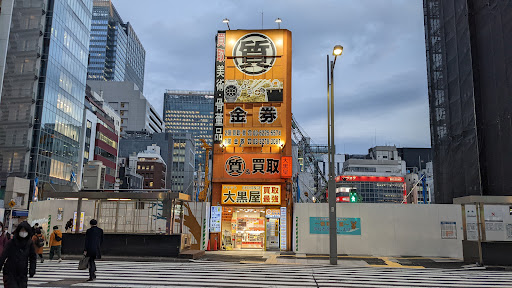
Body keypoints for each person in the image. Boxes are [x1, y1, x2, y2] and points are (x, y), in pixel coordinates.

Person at [0, 221, 36, 288]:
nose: (23, 232)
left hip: (22, 273)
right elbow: (4, 255)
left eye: (25, 231)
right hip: (10, 272)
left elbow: (33, 257)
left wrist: (32, 269)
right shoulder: (12, 242)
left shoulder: (29, 243)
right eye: (22, 230)